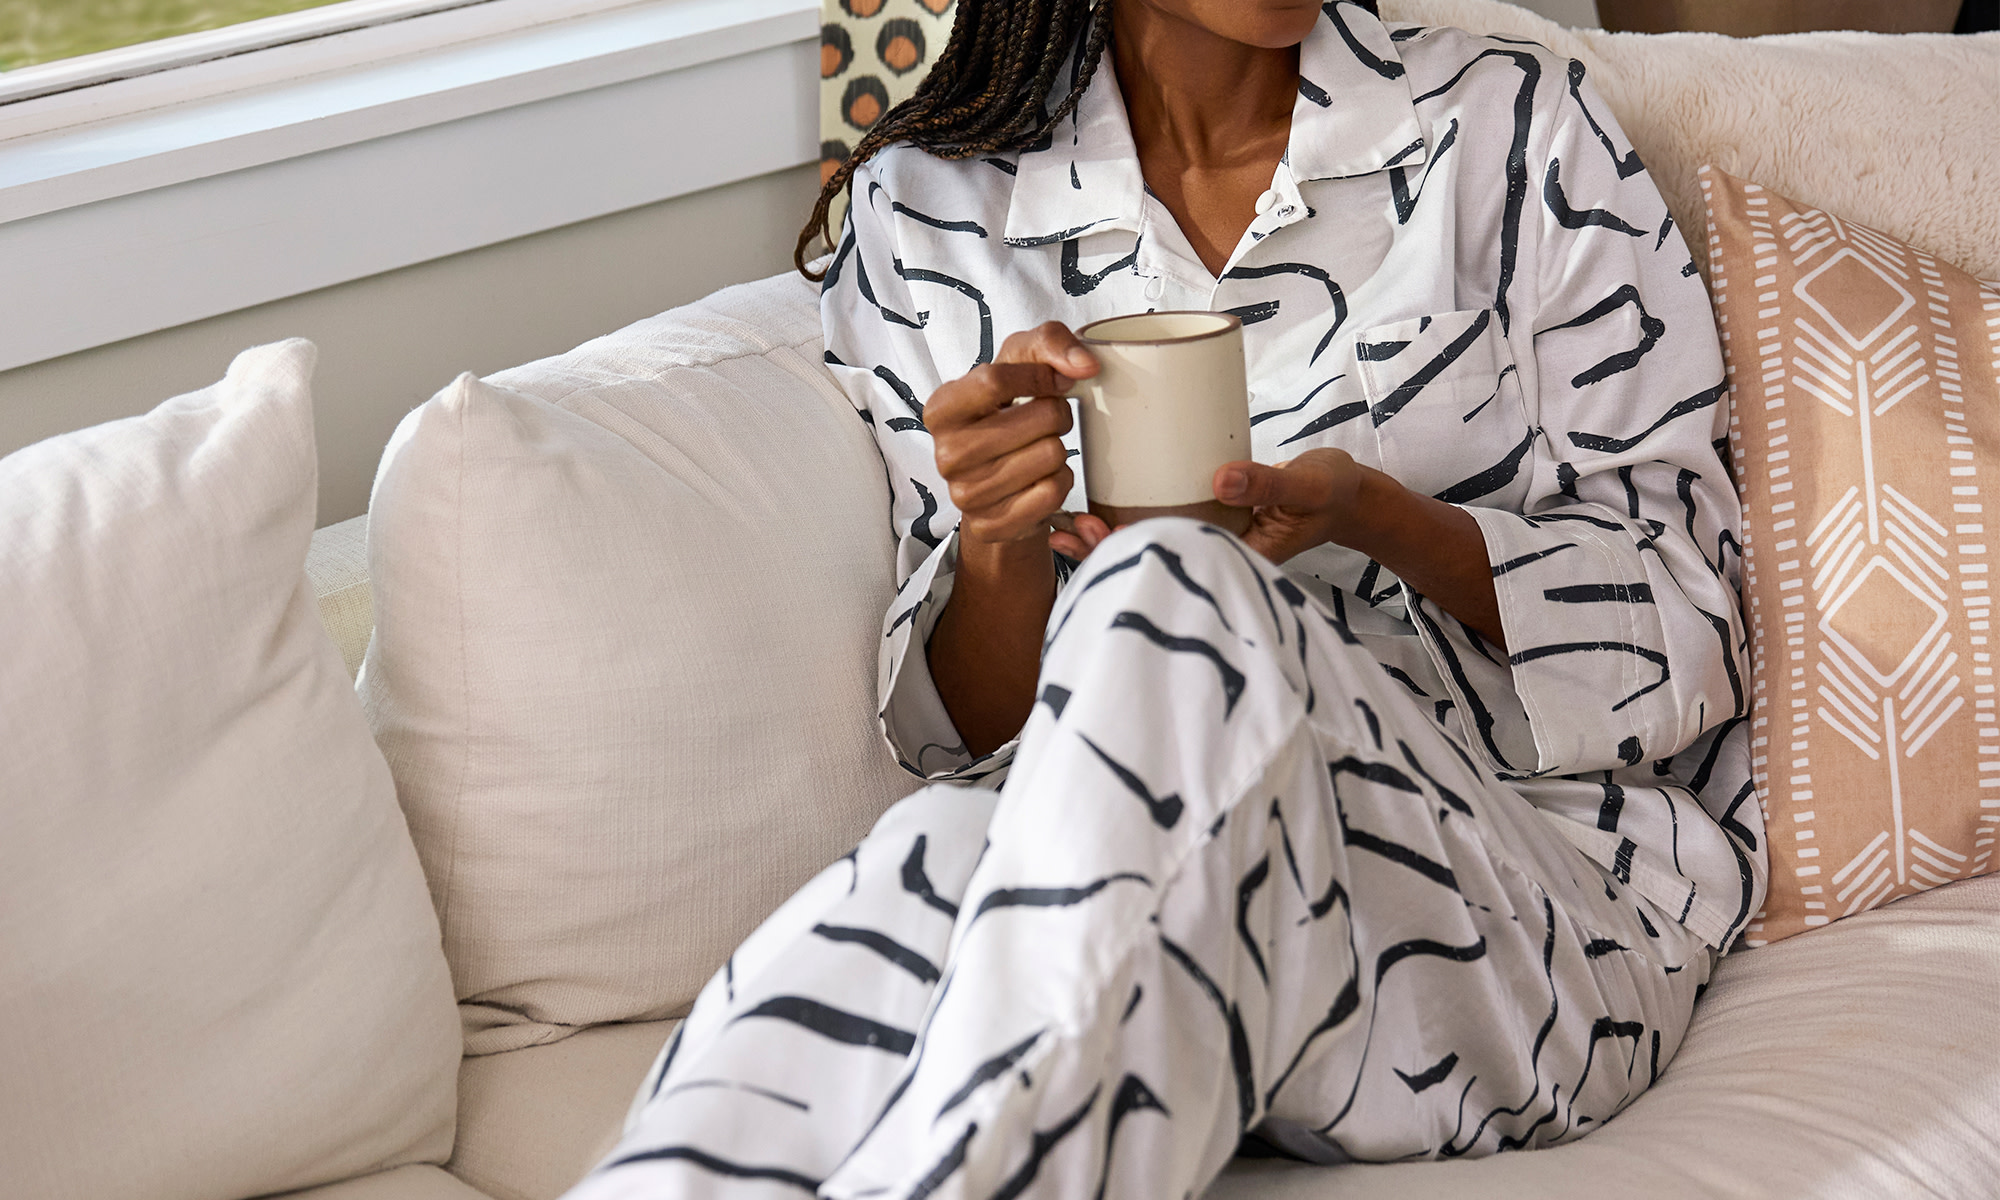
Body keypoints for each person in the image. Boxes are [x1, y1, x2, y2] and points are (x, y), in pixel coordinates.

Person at [566, 1, 1767, 1196]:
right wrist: (999, 541)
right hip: (1125, 875)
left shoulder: (1511, 127)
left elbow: (1692, 624)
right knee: (927, 856)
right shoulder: (929, 208)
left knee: (1167, 582)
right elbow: (971, 740)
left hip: (1522, 909)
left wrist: (1373, 516)